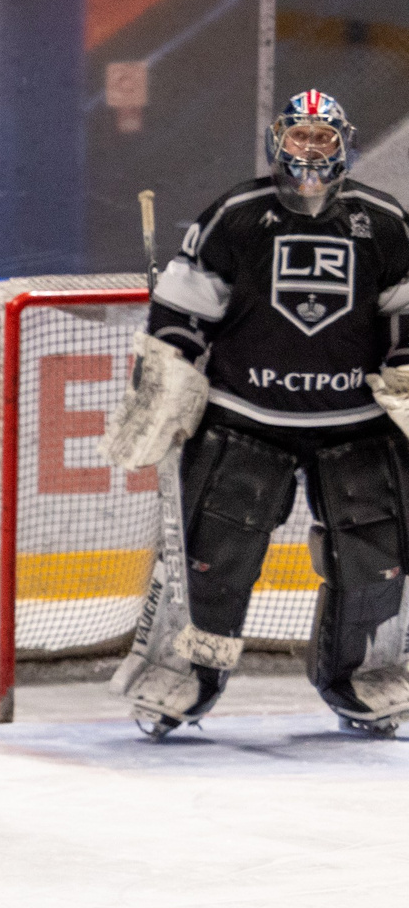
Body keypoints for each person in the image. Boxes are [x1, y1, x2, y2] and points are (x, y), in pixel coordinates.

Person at [105, 89, 409, 737]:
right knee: (216, 557)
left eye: (322, 138)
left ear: (344, 144)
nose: (310, 150)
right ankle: (189, 674)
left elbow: (405, 310)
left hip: (353, 423)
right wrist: (167, 370)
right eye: (299, 136)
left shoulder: (384, 221)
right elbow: (183, 307)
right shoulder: (236, 215)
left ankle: (359, 675)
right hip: (245, 415)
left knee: (372, 558)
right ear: (277, 141)